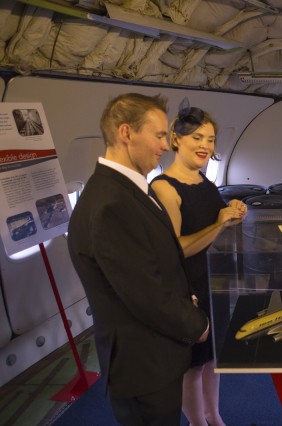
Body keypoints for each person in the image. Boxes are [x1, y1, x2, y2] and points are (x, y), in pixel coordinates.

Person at [67, 93, 210, 426]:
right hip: (142, 365)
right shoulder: (111, 203)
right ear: (126, 133)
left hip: (155, 355)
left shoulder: (128, 190)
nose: (165, 145)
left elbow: (152, 263)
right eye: (159, 135)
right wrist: (197, 324)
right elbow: (145, 293)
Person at [151, 104, 246, 426]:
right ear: (176, 139)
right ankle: (197, 422)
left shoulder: (204, 181)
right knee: (191, 367)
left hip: (212, 282)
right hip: (185, 289)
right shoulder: (164, 188)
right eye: (197, 137)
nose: (205, 145)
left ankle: (214, 418)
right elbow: (175, 248)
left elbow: (213, 228)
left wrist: (231, 212)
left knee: (211, 361)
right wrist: (219, 223)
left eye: (210, 138)